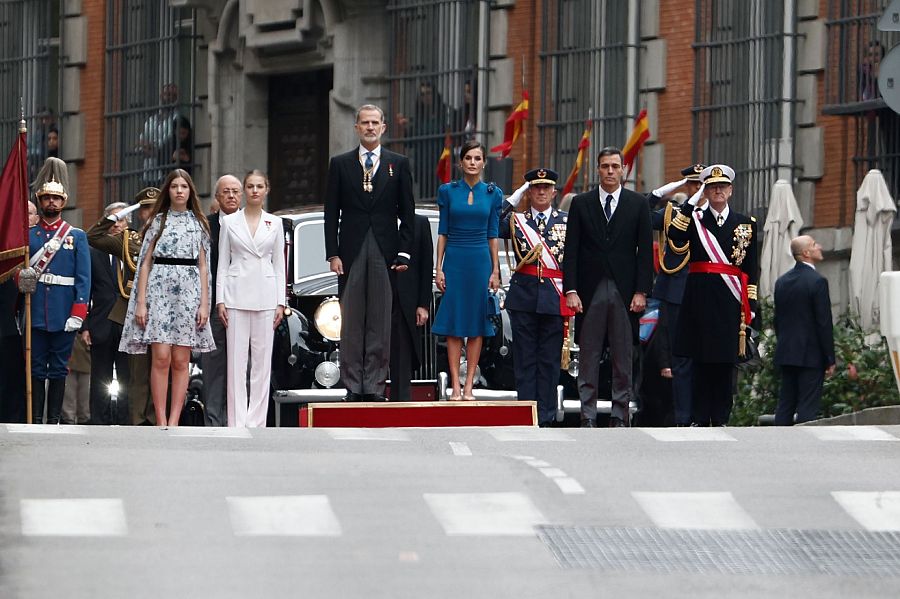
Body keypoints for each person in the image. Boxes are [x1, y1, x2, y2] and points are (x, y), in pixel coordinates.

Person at [324, 104, 415, 402]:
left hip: (385, 250)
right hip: (350, 251)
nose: (370, 127)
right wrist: (332, 253)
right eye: (365, 123)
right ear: (356, 128)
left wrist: (404, 252)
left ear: (384, 127)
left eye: (375, 122)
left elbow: (408, 213)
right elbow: (331, 213)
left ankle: (375, 385)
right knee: (351, 320)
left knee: (379, 319)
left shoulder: (398, 164)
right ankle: (352, 385)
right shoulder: (340, 164)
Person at [563, 147, 653, 428]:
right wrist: (571, 290)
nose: (611, 171)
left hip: (624, 292)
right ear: (597, 170)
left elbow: (645, 254)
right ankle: (587, 413)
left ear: (624, 170)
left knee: (623, 355)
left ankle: (620, 413)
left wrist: (641, 291)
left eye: (615, 166)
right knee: (588, 353)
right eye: (605, 166)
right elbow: (572, 251)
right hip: (589, 291)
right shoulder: (581, 203)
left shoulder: (638, 204)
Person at [119, 169, 215, 427]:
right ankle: (160, 419)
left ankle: (174, 420)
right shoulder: (156, 221)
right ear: (168, 191)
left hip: (188, 293)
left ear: (190, 191)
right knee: (161, 356)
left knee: (181, 360)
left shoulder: (199, 223)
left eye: (184, 186)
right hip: (158, 292)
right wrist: (140, 302)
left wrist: (205, 303)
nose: (180, 190)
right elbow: (144, 264)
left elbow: (204, 267)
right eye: (175, 186)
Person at [667, 164, 759, 426]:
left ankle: (720, 417)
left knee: (725, 362)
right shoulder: (694, 219)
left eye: (722, 187)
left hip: (731, 301)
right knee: (700, 361)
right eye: (712, 187)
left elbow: (751, 270)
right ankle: (698, 416)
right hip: (700, 298)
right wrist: (691, 203)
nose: (718, 191)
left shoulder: (746, 224)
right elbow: (674, 235)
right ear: (706, 190)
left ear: (730, 190)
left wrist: (750, 306)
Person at [18, 157, 91, 424]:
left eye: (56, 199)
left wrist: (78, 313)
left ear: (64, 202)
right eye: (47, 198)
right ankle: (36, 418)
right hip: (36, 310)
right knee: (36, 368)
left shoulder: (77, 235)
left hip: (63, 313)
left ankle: (55, 418)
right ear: (40, 200)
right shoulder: (30, 235)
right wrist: (20, 279)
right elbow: (16, 271)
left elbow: (84, 279)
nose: (52, 202)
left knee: (60, 369)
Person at [500, 167, 573, 427]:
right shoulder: (515, 220)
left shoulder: (566, 221)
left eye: (546, 187)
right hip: (524, 297)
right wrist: (515, 196)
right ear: (529, 192)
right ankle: (526, 415)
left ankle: (547, 415)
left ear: (554, 192)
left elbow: (574, 260)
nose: (541, 191)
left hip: (554, 297)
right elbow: (492, 219)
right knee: (525, 359)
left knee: (549, 361)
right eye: (535, 187)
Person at [432, 140, 503, 400]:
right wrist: (438, 268)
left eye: (477, 158)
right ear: (460, 163)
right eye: (468, 158)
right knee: (454, 325)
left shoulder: (493, 193)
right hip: (455, 260)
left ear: (484, 162)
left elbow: (493, 234)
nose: (473, 162)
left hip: (480, 261)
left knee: (476, 324)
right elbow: (443, 232)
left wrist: (495, 270)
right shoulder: (447, 191)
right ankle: (455, 385)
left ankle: (470, 384)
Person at [216, 170, 285, 427]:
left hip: (266, 295)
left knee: (261, 362)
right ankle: (236, 421)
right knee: (236, 363)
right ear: (244, 190)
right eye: (250, 186)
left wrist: (281, 301)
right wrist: (219, 299)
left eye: (259, 186)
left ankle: (256, 421)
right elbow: (223, 263)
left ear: (267, 190)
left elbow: (279, 264)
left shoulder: (275, 223)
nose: (255, 191)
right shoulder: (229, 222)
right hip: (235, 294)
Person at [87, 188, 158, 425]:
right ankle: (112, 420)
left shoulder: (154, 238)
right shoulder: (127, 243)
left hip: (147, 315)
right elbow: (93, 236)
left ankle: (140, 418)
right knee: (110, 376)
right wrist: (121, 213)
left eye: (123, 219)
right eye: (144, 208)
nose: (119, 225)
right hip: (113, 317)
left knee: (139, 372)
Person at [648, 164, 706, 426]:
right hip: (676, 290)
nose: (698, 190)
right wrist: (661, 192)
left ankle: (705, 414)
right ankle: (684, 416)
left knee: (707, 357)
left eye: (703, 185)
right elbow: (642, 215)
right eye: (693, 184)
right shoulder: (671, 213)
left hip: (707, 291)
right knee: (680, 358)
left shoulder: (719, 216)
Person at [773, 235, 835, 425]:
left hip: (786, 351)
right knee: (807, 407)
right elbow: (823, 323)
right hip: (810, 354)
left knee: (785, 404)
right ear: (806, 253)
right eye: (815, 244)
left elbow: (777, 320)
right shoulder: (817, 281)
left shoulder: (781, 281)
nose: (820, 247)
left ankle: (777, 444)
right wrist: (829, 358)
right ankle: (804, 447)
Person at [85, 202, 131, 425]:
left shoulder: (135, 251)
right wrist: (84, 326)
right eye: (112, 220)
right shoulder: (93, 252)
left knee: (127, 377)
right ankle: (99, 422)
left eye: (121, 220)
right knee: (100, 376)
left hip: (128, 324)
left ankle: (124, 420)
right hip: (100, 323)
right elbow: (85, 289)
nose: (117, 225)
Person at [202, 175, 243, 426]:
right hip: (214, 306)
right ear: (217, 197)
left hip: (245, 304)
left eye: (235, 191)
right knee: (214, 366)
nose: (231, 196)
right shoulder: (204, 226)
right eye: (225, 192)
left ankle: (239, 420)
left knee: (241, 366)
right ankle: (214, 422)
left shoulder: (252, 222)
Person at [389, 213, 434, 401]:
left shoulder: (420, 223)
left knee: (402, 356)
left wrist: (423, 304)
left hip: (407, 301)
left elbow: (426, 265)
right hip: (380, 296)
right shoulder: (377, 218)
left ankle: (402, 402)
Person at [62, 333, 91, 424]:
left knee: (85, 396)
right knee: (68, 394)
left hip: (88, 346)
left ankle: (83, 419)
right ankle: (68, 419)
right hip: (68, 347)